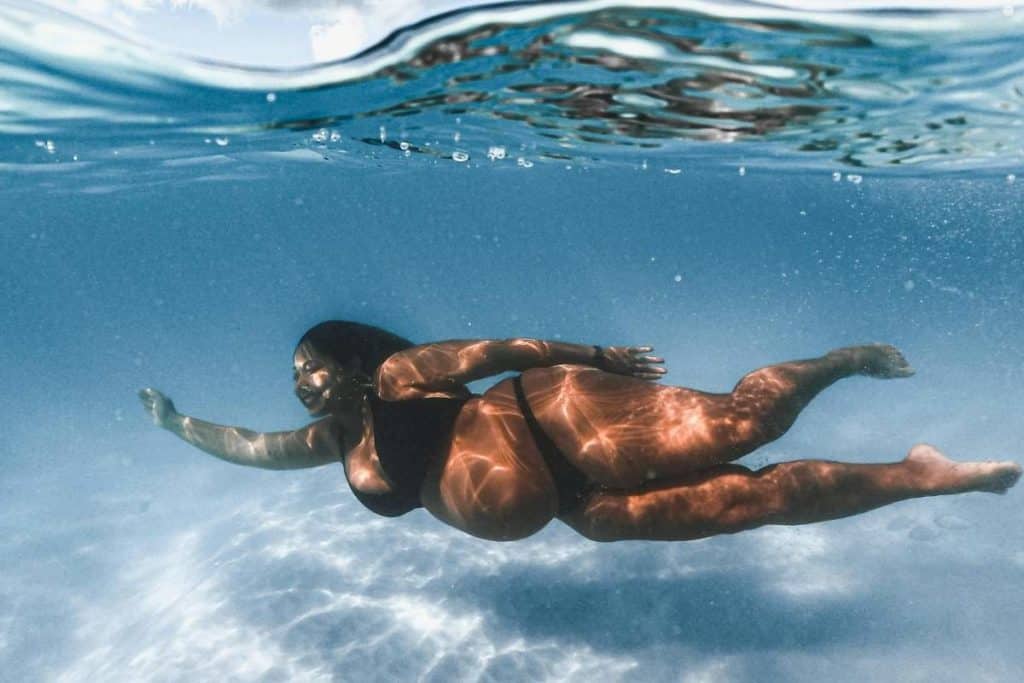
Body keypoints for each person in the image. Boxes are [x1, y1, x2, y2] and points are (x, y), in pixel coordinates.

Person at [139, 321, 1020, 542]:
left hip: (557, 420)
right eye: (293, 377)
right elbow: (246, 446)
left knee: (745, 426)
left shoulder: (404, 376)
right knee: (756, 503)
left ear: (352, 358)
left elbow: (494, 345)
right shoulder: (338, 446)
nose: (299, 384)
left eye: (310, 365)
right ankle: (920, 472)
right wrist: (180, 424)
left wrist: (587, 351)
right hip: (575, 504)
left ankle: (837, 359)